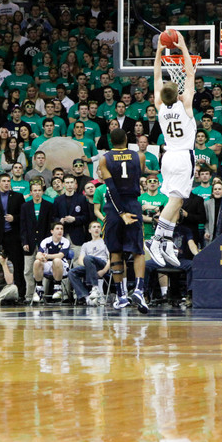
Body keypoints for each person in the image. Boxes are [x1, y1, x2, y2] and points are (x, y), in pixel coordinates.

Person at [148, 31, 196, 267]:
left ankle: (166, 240)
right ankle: (157, 239)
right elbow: (189, 73)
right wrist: (184, 47)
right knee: (176, 201)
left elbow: (157, 74)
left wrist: (159, 51)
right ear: (177, 93)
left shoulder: (159, 106)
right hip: (183, 157)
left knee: (175, 201)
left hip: (167, 156)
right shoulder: (185, 103)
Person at [96, 128, 149, 313]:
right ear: (127, 139)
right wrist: (126, 211)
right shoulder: (139, 156)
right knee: (138, 250)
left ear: (110, 141)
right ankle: (140, 290)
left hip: (113, 208)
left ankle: (121, 296)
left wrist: (120, 213)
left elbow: (110, 188)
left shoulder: (105, 159)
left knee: (115, 251)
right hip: (133, 204)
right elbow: (139, 174)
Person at [69, 220, 109, 305]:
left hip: (101, 264)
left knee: (88, 258)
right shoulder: (86, 245)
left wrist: (104, 271)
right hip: (89, 265)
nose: (96, 229)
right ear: (89, 230)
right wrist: (89, 266)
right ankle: (87, 297)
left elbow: (111, 258)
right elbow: (80, 261)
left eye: (98, 227)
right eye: (94, 227)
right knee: (72, 272)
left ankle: (95, 288)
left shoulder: (105, 242)